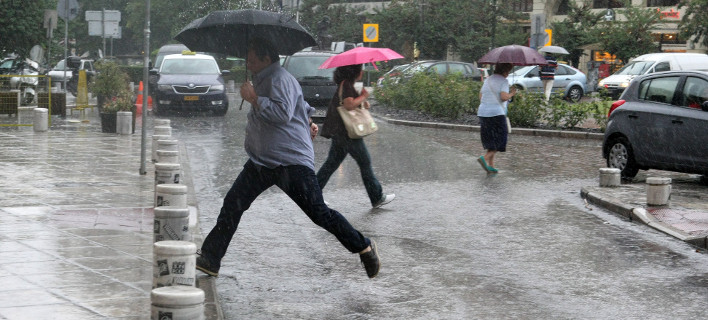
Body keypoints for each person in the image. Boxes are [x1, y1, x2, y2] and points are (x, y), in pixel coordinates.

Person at [196, 38, 380, 279]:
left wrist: (254, 99)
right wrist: (310, 121)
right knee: (233, 204)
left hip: (290, 162)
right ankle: (211, 258)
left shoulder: (279, 78)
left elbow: (282, 113)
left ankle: (364, 246)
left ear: (266, 58)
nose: (248, 59)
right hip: (262, 161)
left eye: (252, 55)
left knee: (319, 213)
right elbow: (300, 106)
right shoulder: (263, 78)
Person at [317, 64, 396, 208]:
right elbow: (348, 105)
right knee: (364, 162)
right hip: (347, 133)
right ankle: (377, 197)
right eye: (361, 69)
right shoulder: (346, 84)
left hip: (340, 132)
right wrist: (364, 96)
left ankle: (312, 195)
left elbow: (351, 104)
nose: (363, 72)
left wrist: (362, 102)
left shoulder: (346, 84)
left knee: (331, 164)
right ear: (354, 71)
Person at [477, 63, 516, 173]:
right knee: (500, 139)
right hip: (496, 114)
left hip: (483, 113)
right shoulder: (504, 81)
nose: (508, 74)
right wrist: (512, 94)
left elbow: (480, 96)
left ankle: (491, 165)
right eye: (508, 71)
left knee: (490, 139)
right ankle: (484, 158)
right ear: (505, 71)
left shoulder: (488, 80)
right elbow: (504, 97)